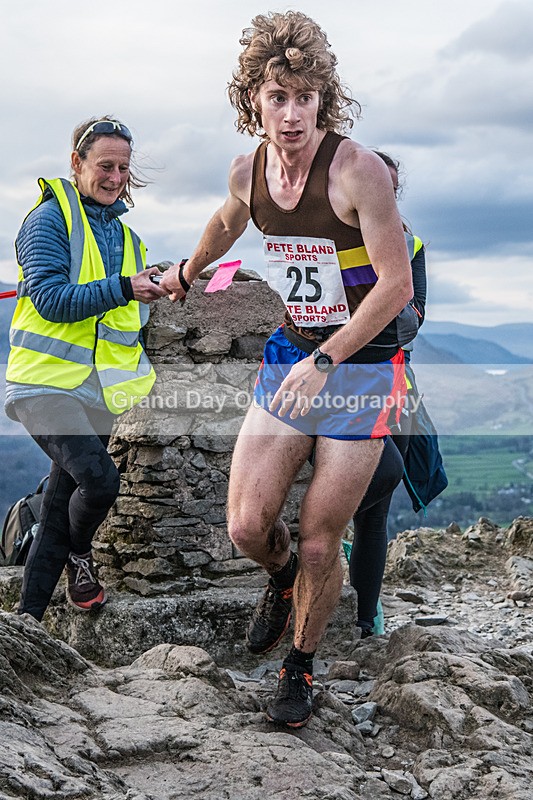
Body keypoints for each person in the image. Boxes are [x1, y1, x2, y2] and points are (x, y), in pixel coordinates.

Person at [161, 11, 413, 728]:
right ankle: (278, 581)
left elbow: (395, 285)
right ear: (254, 102)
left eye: (306, 97)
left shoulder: (357, 170)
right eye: (278, 97)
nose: (293, 113)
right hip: (291, 352)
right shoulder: (249, 170)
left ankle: (297, 669)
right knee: (246, 527)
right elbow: (227, 219)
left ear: (322, 99)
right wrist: (187, 268)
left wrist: (329, 358)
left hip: (360, 366)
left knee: (315, 538)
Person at [4, 115, 168, 621]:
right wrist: (125, 287)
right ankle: (80, 554)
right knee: (99, 482)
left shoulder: (129, 238)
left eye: (123, 168)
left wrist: (163, 283)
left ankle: (28, 621)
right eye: (105, 166)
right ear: (77, 163)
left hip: (99, 392)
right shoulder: (49, 221)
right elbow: (51, 300)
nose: (115, 177)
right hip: (44, 385)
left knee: (60, 501)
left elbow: (129, 315)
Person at [349, 151, 426, 639]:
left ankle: (365, 616)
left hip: (394, 384)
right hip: (336, 383)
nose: (385, 196)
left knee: (378, 504)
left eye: (392, 189)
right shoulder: (328, 238)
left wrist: (384, 300)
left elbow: (416, 315)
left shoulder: (411, 241)